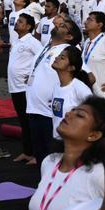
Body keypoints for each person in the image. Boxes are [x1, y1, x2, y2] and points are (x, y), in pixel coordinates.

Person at [24, 19, 77, 163]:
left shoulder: (68, 51)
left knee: (52, 156)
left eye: (64, 26)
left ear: (69, 37)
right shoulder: (46, 47)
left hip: (50, 111)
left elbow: (86, 76)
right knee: (40, 154)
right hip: (34, 107)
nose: (58, 25)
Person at [0, 12, 42, 163]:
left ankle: (37, 154)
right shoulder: (18, 41)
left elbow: (42, 58)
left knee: (30, 122)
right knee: (23, 121)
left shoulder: (31, 41)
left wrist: (33, 77)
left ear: (29, 26)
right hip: (15, 87)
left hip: (26, 88)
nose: (17, 23)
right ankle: (27, 151)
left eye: (21, 22)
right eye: (17, 21)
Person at [47, 49, 93, 140]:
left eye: (62, 58)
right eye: (59, 56)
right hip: (56, 139)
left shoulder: (80, 88)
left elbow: (94, 112)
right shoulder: (56, 86)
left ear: (71, 68)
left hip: (72, 141)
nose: (56, 58)